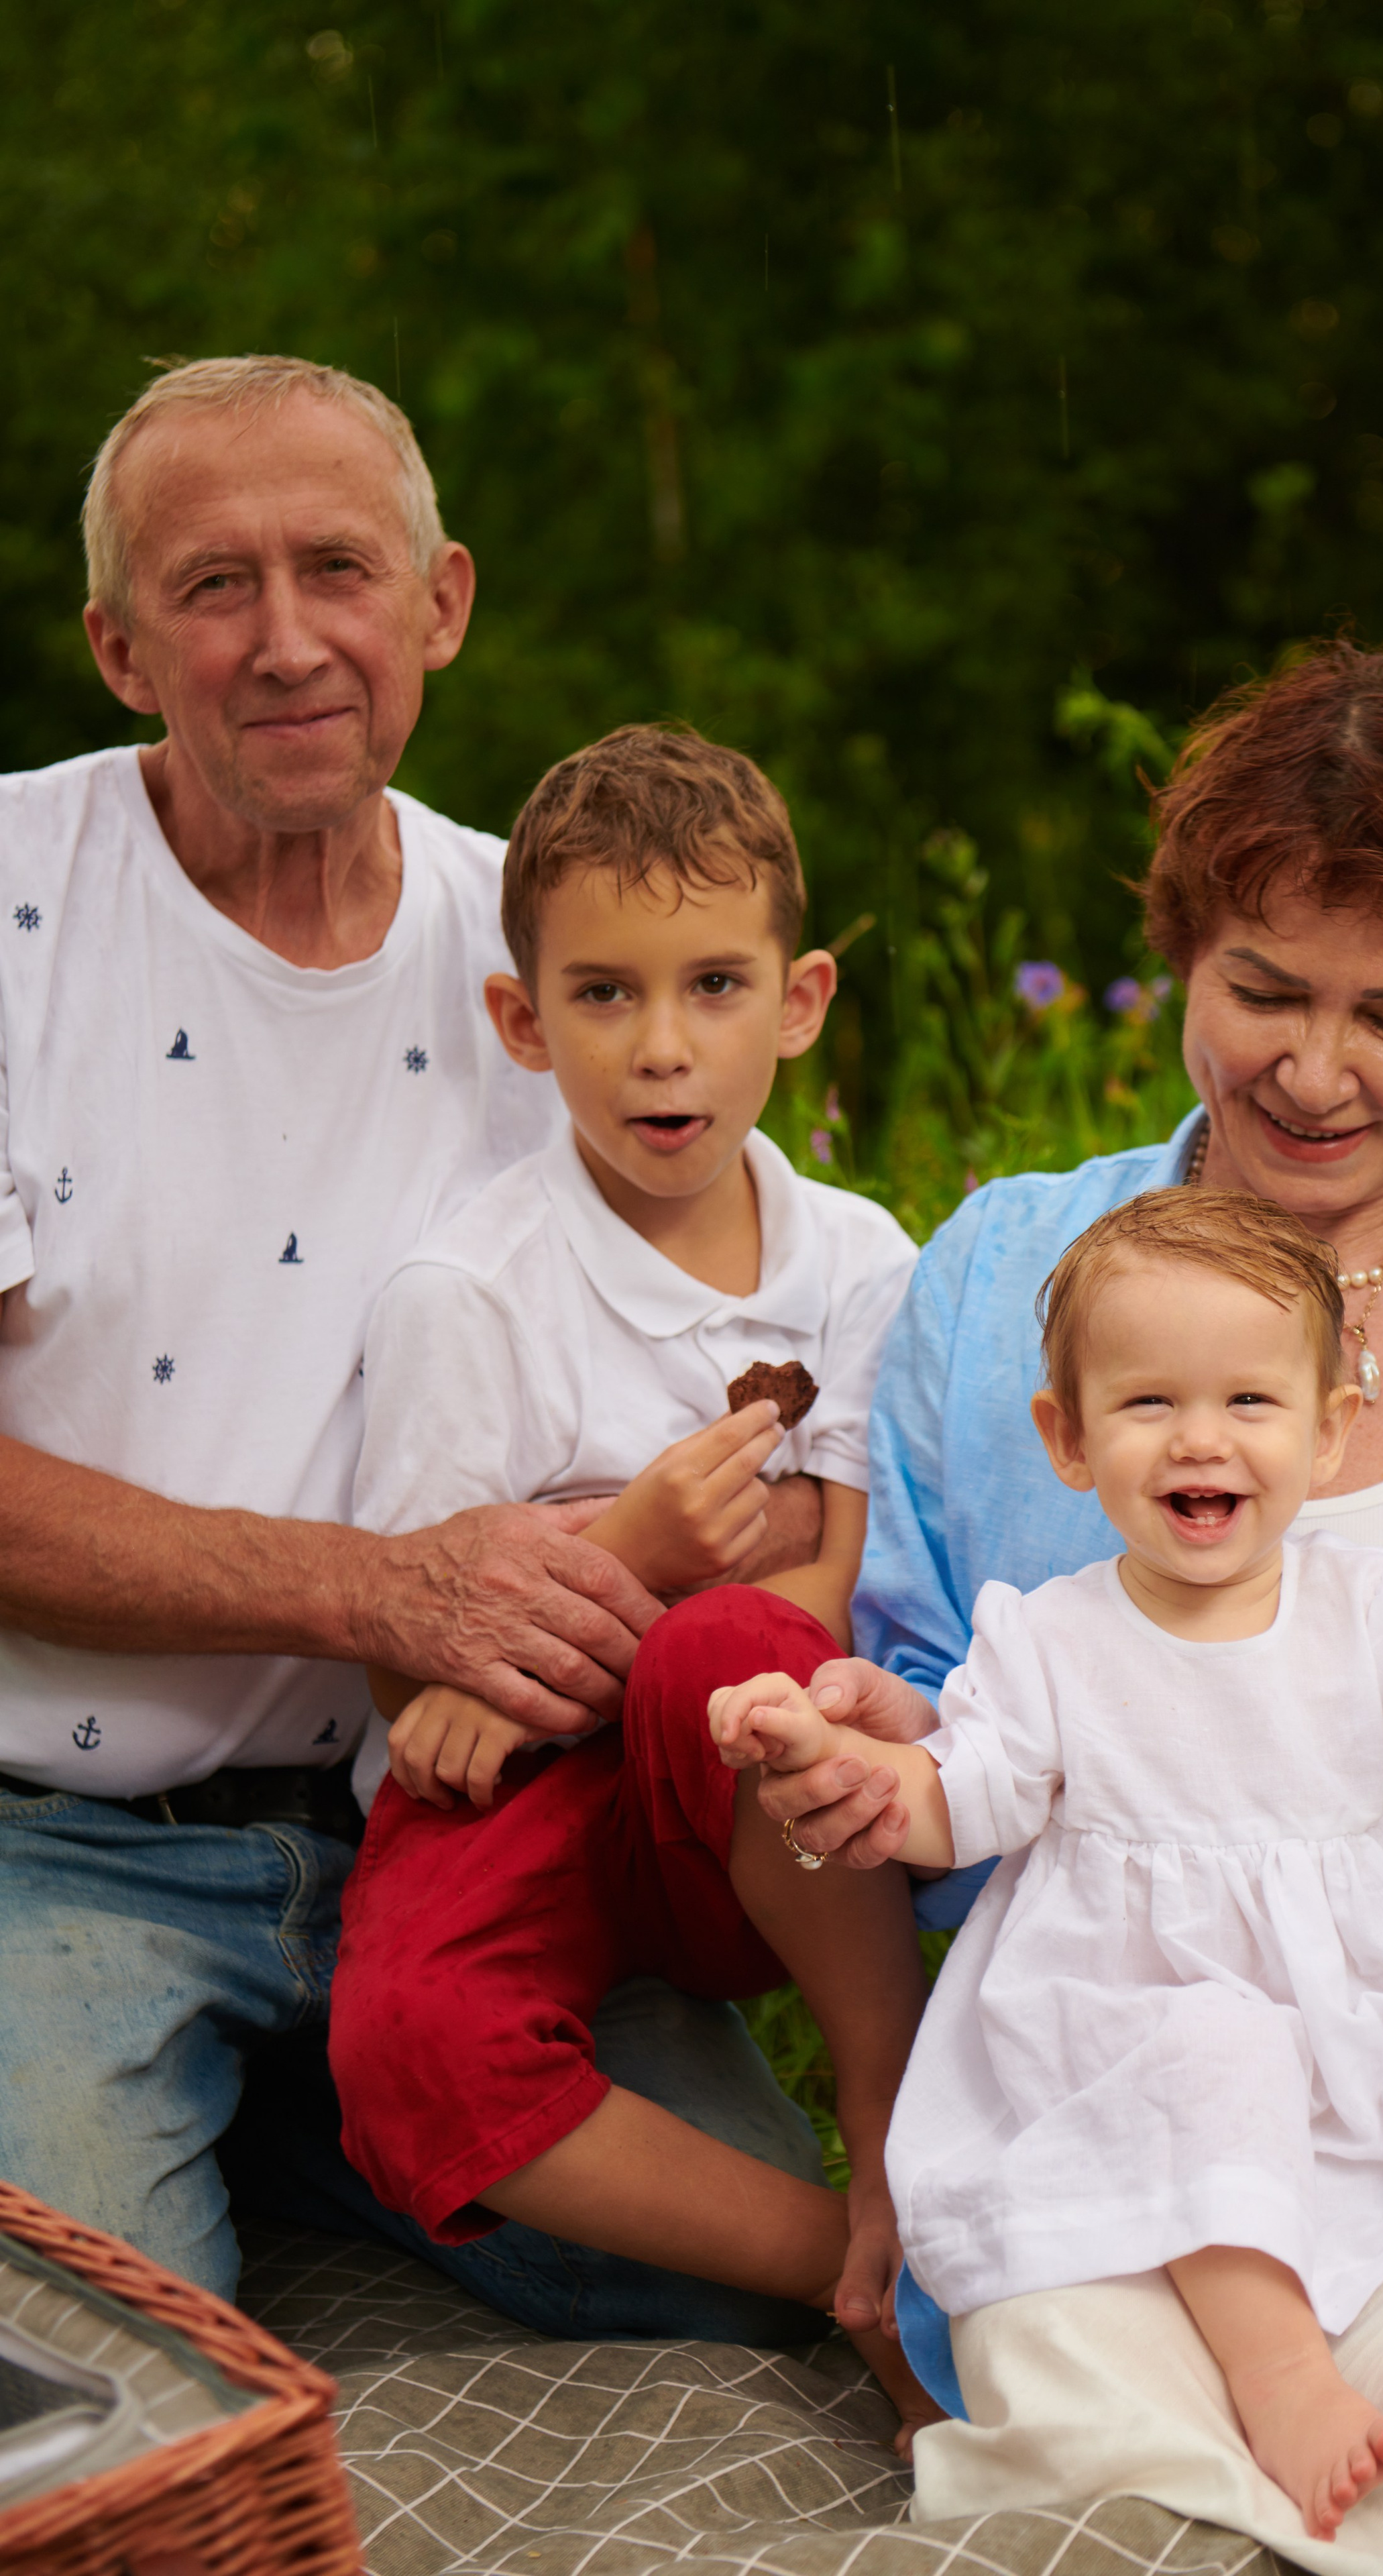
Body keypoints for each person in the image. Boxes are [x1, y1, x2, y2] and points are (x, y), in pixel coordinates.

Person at [754, 641, 1383, 2406]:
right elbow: (944, 1788)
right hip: (1122, 2101)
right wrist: (891, 1751)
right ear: (1184, 950)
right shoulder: (1000, 1278)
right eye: (1263, 991)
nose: (1314, 1073)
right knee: (1122, 2434)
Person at [0, 356, 826, 2320]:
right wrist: (379, 1593)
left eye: (338, 570)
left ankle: (302, 2117)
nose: (288, 641)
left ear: (439, 604)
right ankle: (200, 2130)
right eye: (214, 587)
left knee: (721, 2265)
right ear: (120, 648)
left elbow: (773, 1388)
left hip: (475, 1819)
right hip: (64, 1840)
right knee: (114, 2372)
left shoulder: (559, 956)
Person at [712, 1187, 1383, 2541]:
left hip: (1380, 1956)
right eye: (1148, 1404)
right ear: (1066, 1440)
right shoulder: (1046, 1640)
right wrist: (841, 1763)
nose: (1202, 1438)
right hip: (1160, 1988)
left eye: (1250, 1401)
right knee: (1195, 2079)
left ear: (1327, 1428)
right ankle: (1282, 2374)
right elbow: (963, 1794)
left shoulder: (1377, 1600)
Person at [330, 724, 932, 2427]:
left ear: (797, 1001)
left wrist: (607, 1588)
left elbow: (840, 1599)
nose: (662, 1048)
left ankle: (896, 2132)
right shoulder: (469, 1292)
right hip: (524, 1799)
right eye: (602, 994)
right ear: (522, 1022)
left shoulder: (860, 1265)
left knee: (731, 1649)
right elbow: (418, 1675)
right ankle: (852, 2268)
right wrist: (636, 1550)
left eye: (714, 986)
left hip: (750, 1805)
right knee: (399, 2046)